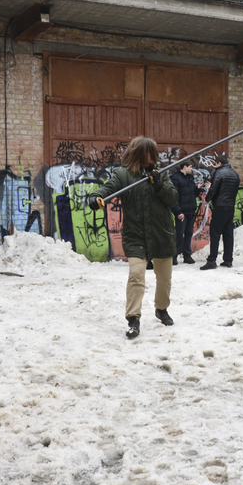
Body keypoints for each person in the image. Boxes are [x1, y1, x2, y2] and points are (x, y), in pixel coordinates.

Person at [87, 137, 178, 337]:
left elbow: (172, 198)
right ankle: (133, 319)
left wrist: (159, 184)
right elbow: (108, 188)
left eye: (154, 153)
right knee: (136, 276)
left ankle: (161, 309)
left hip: (161, 234)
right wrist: (96, 196)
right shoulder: (123, 175)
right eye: (148, 153)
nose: (152, 157)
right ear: (138, 154)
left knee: (164, 279)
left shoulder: (161, 173)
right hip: (136, 235)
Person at [201, 153, 240, 270]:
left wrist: (207, 199)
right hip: (230, 207)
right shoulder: (235, 174)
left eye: (216, 164)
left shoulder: (218, 173)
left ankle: (212, 260)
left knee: (215, 233)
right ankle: (228, 260)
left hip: (219, 207)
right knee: (228, 234)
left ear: (219, 163)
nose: (215, 166)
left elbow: (214, 189)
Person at [170, 156, 199, 265]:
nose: (192, 169)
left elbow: (193, 194)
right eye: (190, 167)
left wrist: (197, 188)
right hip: (182, 212)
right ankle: (174, 256)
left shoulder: (190, 178)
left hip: (190, 211)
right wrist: (178, 211)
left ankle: (187, 255)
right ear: (185, 166)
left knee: (188, 233)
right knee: (179, 234)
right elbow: (174, 197)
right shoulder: (175, 178)